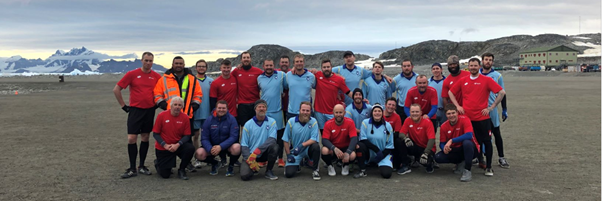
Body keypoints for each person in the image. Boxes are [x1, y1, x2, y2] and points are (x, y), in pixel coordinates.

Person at [448, 58, 506, 176]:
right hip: (467, 118)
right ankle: (479, 160)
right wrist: (458, 106)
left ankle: (489, 167)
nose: (473, 67)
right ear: (468, 67)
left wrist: (491, 107)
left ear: (479, 66)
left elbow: (501, 92)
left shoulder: (486, 80)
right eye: (471, 65)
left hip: (482, 118)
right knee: (471, 142)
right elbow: (450, 92)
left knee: (487, 141)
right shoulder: (463, 80)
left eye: (475, 65)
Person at [113, 52, 161, 178]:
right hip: (135, 111)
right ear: (141, 60)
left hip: (149, 110)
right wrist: (123, 106)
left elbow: (162, 91)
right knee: (131, 139)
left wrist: (157, 104)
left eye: (151, 61)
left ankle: (142, 166)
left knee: (145, 137)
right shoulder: (132, 74)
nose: (148, 63)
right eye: (146, 60)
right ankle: (132, 167)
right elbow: (116, 89)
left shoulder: (156, 76)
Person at [153, 56, 202, 172]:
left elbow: (198, 94)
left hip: (187, 115)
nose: (179, 65)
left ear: (184, 64)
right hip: (169, 116)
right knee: (169, 137)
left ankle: (187, 163)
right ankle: (163, 160)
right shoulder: (164, 79)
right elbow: (157, 94)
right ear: (172, 64)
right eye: (176, 63)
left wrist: (193, 106)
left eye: (181, 63)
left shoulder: (191, 78)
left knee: (187, 141)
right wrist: (165, 106)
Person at [152, 97, 196, 180]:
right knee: (165, 175)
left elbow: (187, 135)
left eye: (179, 105)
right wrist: (164, 145)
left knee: (190, 148)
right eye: (175, 104)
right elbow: (155, 134)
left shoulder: (185, 117)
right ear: (171, 105)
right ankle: (158, 163)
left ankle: (182, 169)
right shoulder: (161, 116)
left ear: (182, 107)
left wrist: (178, 144)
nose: (177, 107)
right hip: (164, 147)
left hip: (177, 145)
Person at [434, 104, 480, 182]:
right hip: (455, 149)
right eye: (449, 114)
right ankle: (460, 162)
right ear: (446, 115)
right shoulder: (444, 126)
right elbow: (442, 143)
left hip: (470, 149)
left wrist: (452, 140)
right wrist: (444, 148)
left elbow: (469, 135)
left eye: (453, 113)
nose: (451, 115)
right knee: (438, 157)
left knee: (467, 143)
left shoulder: (465, 119)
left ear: (457, 113)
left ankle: (467, 170)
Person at [480, 52, 510, 168]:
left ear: (492, 62)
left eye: (490, 60)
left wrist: (504, 109)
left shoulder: (497, 76)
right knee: (479, 134)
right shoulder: (476, 74)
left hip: (491, 109)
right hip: (478, 110)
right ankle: (480, 157)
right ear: (482, 61)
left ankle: (501, 157)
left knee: (496, 133)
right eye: (486, 59)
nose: (488, 62)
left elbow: (502, 93)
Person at [196, 100, 240, 176]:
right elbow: (204, 138)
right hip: (213, 146)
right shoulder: (208, 120)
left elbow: (234, 137)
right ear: (215, 108)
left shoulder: (232, 119)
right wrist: (210, 148)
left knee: (237, 148)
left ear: (227, 109)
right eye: (219, 108)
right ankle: (215, 163)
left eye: (223, 108)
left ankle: (231, 166)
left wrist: (221, 146)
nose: (221, 110)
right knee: (199, 153)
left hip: (227, 146)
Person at [257, 59, 288, 167]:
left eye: (271, 65)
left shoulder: (281, 75)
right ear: (263, 66)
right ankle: (264, 158)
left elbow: (286, 87)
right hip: (264, 112)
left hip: (277, 111)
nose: (269, 67)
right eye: (267, 65)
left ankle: (280, 158)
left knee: (279, 136)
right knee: (264, 136)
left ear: (274, 65)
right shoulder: (259, 78)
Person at [240, 100, 280, 181]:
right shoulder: (248, 124)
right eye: (259, 107)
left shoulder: (272, 122)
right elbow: (244, 144)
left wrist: (258, 151)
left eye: (264, 107)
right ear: (255, 109)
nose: (262, 108)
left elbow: (272, 139)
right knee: (245, 176)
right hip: (251, 155)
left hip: (263, 153)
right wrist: (249, 159)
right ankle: (249, 168)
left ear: (266, 109)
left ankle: (269, 171)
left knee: (275, 147)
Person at [353, 103, 394, 179]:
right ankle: (362, 170)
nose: (377, 113)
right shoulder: (365, 122)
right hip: (370, 152)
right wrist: (376, 150)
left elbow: (390, 145)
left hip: (383, 154)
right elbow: (363, 139)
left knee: (387, 174)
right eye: (375, 111)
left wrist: (382, 155)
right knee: (359, 145)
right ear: (372, 112)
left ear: (382, 113)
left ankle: (379, 163)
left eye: (379, 111)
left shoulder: (388, 125)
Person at [283, 102, 321, 180]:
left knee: (316, 147)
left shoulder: (313, 121)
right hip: (295, 151)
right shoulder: (291, 121)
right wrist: (288, 154)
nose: (305, 113)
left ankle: (315, 170)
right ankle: (298, 163)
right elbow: (285, 139)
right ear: (299, 110)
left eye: (307, 111)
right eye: (303, 110)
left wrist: (302, 145)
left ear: (310, 111)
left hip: (307, 149)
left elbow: (314, 139)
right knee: (289, 174)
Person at [314, 59, 352, 133]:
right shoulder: (318, 75)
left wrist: (360, 99)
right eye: (324, 67)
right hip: (319, 111)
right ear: (321, 68)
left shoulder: (338, 79)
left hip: (331, 112)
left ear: (331, 67)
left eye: (328, 67)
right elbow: (304, 72)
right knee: (323, 132)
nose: (326, 69)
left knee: (334, 132)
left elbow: (348, 92)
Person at [399, 104, 437, 173]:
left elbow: (431, 139)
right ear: (409, 112)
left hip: (426, 148)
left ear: (421, 113)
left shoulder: (427, 122)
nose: (414, 114)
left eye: (417, 112)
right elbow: (401, 133)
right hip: (416, 146)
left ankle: (431, 161)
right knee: (401, 141)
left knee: (425, 162)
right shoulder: (408, 120)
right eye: (412, 112)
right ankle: (405, 165)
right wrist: (405, 138)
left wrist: (426, 153)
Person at [321, 104, 357, 176]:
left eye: (340, 112)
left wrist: (348, 152)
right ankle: (330, 166)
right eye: (336, 112)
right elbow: (324, 140)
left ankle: (345, 165)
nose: (338, 115)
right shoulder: (328, 124)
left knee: (352, 155)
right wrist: (334, 148)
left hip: (345, 148)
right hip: (334, 148)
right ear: (333, 113)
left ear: (344, 113)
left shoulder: (350, 122)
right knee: (324, 150)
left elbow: (354, 138)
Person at [191, 59, 214, 168]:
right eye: (199, 66)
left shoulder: (211, 81)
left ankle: (208, 157)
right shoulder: (191, 80)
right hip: (195, 114)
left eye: (203, 66)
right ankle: (197, 158)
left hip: (208, 114)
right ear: (196, 68)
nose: (201, 68)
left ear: (206, 68)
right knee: (196, 136)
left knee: (208, 137)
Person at [231, 52, 263, 128]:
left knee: (256, 126)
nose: (246, 59)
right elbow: (227, 76)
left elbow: (269, 73)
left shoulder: (257, 71)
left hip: (255, 103)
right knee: (244, 127)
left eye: (247, 57)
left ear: (250, 59)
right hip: (242, 104)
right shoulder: (236, 71)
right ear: (241, 60)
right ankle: (244, 140)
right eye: (244, 58)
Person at [382, 97, 409, 174]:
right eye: (389, 104)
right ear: (385, 105)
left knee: (399, 141)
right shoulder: (379, 114)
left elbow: (397, 132)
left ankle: (404, 163)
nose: (391, 106)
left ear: (395, 107)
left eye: (393, 105)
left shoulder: (397, 117)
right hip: (379, 138)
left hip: (390, 138)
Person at [285, 54, 316, 121]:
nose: (299, 63)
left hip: (307, 111)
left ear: (304, 63)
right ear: (293, 63)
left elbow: (318, 87)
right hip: (292, 111)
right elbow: (284, 87)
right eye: (297, 61)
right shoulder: (288, 75)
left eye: (301, 61)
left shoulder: (311, 76)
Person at [390, 59, 419, 124]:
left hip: (416, 107)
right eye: (404, 66)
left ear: (412, 66)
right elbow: (390, 92)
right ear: (401, 67)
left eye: (408, 66)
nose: (406, 68)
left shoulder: (418, 77)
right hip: (401, 108)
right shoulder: (396, 79)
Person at [428, 63, 446, 128]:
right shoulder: (428, 82)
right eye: (434, 69)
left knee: (445, 131)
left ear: (441, 70)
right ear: (432, 71)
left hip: (444, 110)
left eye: (437, 68)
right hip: (432, 110)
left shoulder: (446, 81)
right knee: (432, 130)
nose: (435, 70)